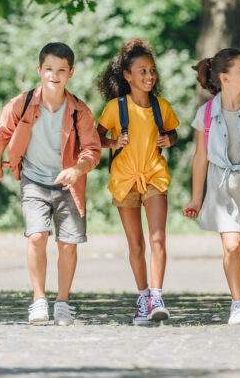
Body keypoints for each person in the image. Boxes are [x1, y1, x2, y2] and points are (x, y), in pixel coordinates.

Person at [0, 42, 102, 325]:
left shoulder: (79, 111)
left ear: (71, 73)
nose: (55, 75)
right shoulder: (21, 104)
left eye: (62, 70)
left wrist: (77, 169)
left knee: (68, 244)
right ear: (39, 70)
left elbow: (92, 150)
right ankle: (39, 300)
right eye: (49, 69)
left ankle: (62, 302)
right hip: (34, 180)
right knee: (37, 236)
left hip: (68, 184)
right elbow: (1, 133)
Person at [182, 48, 240, 325]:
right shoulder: (206, 113)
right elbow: (200, 158)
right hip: (221, 185)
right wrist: (196, 199)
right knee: (232, 246)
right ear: (224, 78)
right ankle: (238, 303)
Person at [95, 38, 180, 325]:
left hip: (154, 174)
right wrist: (112, 142)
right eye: (142, 71)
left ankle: (157, 296)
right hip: (124, 181)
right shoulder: (114, 108)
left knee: (158, 237)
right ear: (127, 76)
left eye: (152, 71)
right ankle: (142, 297)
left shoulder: (161, 106)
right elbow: (95, 138)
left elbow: (173, 133)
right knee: (136, 245)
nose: (149, 76)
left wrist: (170, 139)